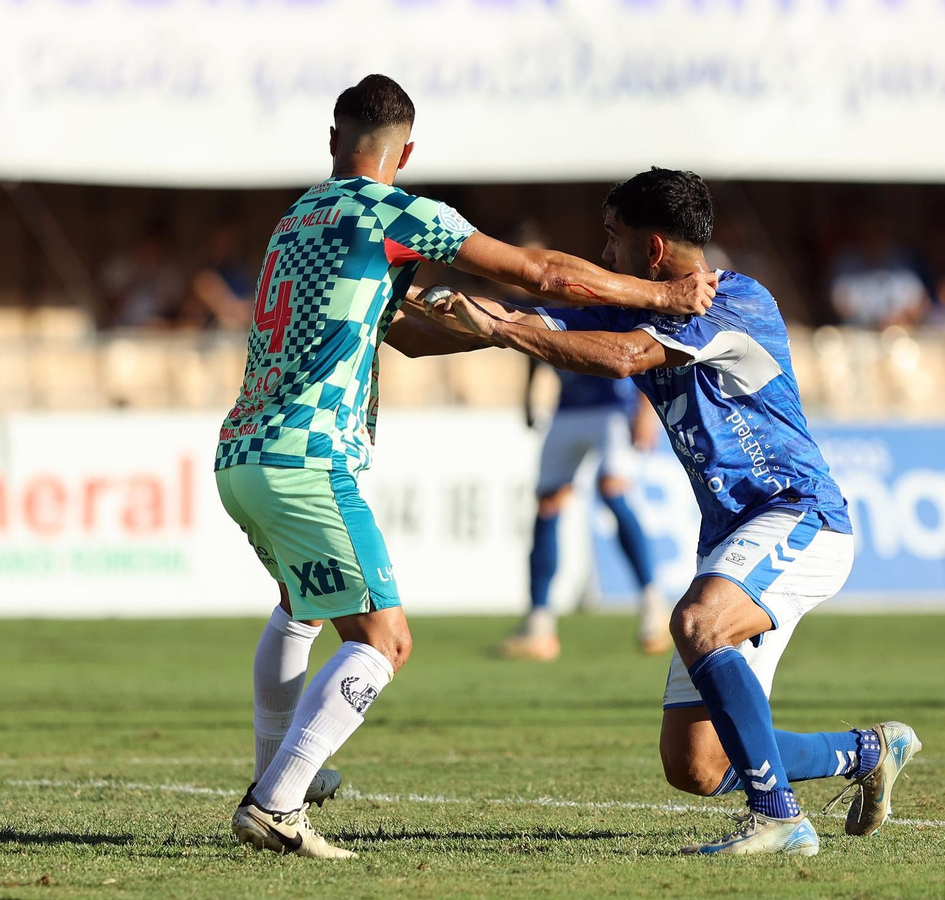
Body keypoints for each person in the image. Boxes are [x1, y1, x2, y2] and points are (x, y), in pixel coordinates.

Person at [218, 75, 716, 860]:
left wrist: (481, 323)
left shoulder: (299, 218)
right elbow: (542, 271)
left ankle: (285, 774)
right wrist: (655, 295)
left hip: (243, 452)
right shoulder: (398, 212)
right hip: (307, 457)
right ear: (406, 152)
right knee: (385, 640)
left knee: (300, 609)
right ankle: (276, 803)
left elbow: (404, 333)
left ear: (331, 141)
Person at [423, 167, 920, 857]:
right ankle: (867, 752)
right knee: (698, 765)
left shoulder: (737, 301)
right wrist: (397, 303)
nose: (605, 254)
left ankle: (780, 819)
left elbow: (625, 358)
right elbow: (484, 323)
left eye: (613, 237)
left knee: (694, 621)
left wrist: (507, 332)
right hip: (731, 540)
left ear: (652, 250)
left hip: (799, 518)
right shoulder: (635, 306)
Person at [501, 356, 669, 661]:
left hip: (614, 405)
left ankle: (653, 607)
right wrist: (529, 394)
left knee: (612, 491)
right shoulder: (544, 304)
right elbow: (531, 334)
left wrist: (646, 411)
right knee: (548, 505)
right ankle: (539, 624)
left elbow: (642, 343)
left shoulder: (608, 305)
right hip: (567, 408)